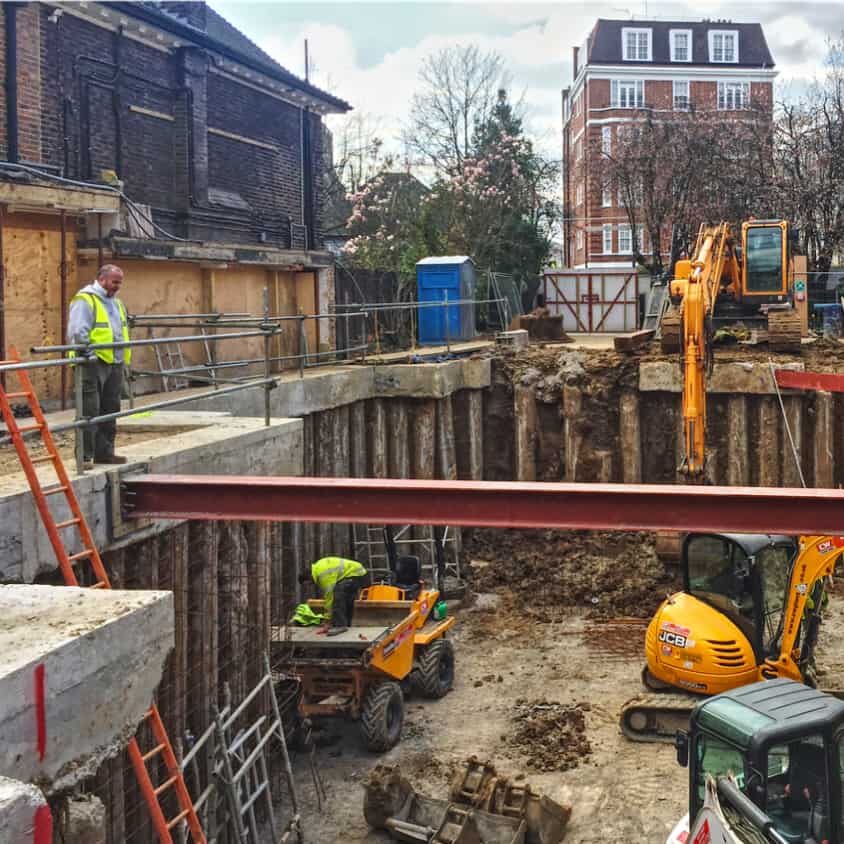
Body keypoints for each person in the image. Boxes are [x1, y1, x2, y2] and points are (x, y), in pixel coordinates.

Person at [67, 264, 131, 468]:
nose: (117, 286)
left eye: (120, 282)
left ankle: (105, 453)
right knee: (89, 410)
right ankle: (84, 457)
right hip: (92, 363)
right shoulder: (85, 299)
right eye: (115, 282)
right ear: (102, 279)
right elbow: (78, 331)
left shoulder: (117, 303)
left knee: (110, 408)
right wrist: (89, 355)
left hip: (114, 361)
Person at [299, 556, 368, 636]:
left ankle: (340, 625)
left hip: (355, 574)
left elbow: (330, 598)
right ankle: (346, 625)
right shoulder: (318, 568)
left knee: (337, 595)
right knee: (347, 599)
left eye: (308, 584)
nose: (309, 586)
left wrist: (327, 620)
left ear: (308, 578)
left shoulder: (322, 575)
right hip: (358, 573)